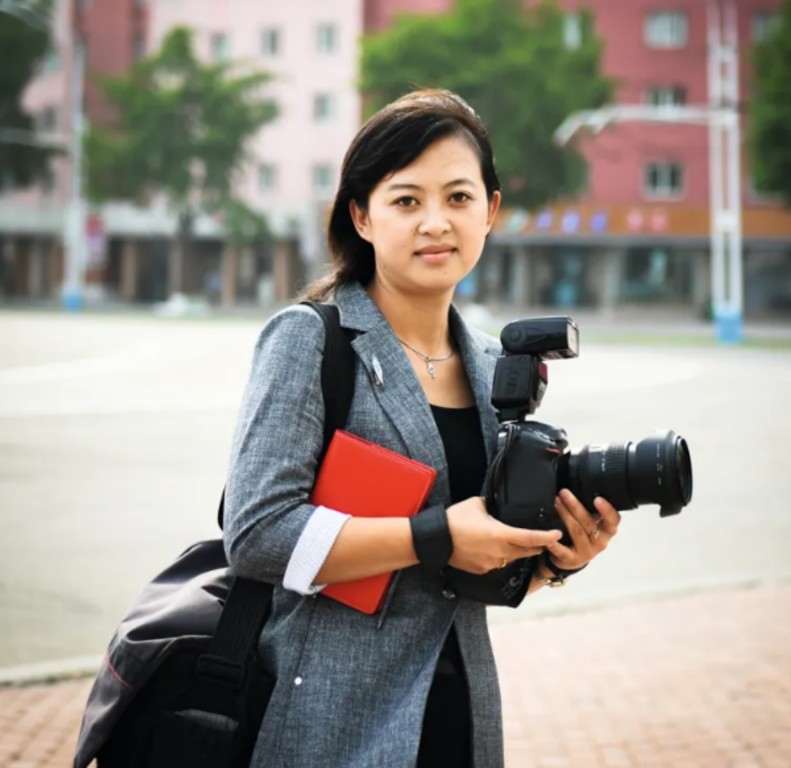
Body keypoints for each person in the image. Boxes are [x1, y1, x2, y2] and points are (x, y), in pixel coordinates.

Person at [222, 88, 621, 768]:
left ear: (490, 212)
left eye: (459, 198)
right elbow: (257, 535)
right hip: (330, 722)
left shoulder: (499, 367)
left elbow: (473, 575)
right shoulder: (311, 341)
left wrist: (555, 561)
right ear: (363, 216)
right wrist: (434, 535)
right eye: (407, 200)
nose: (436, 221)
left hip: (458, 719)